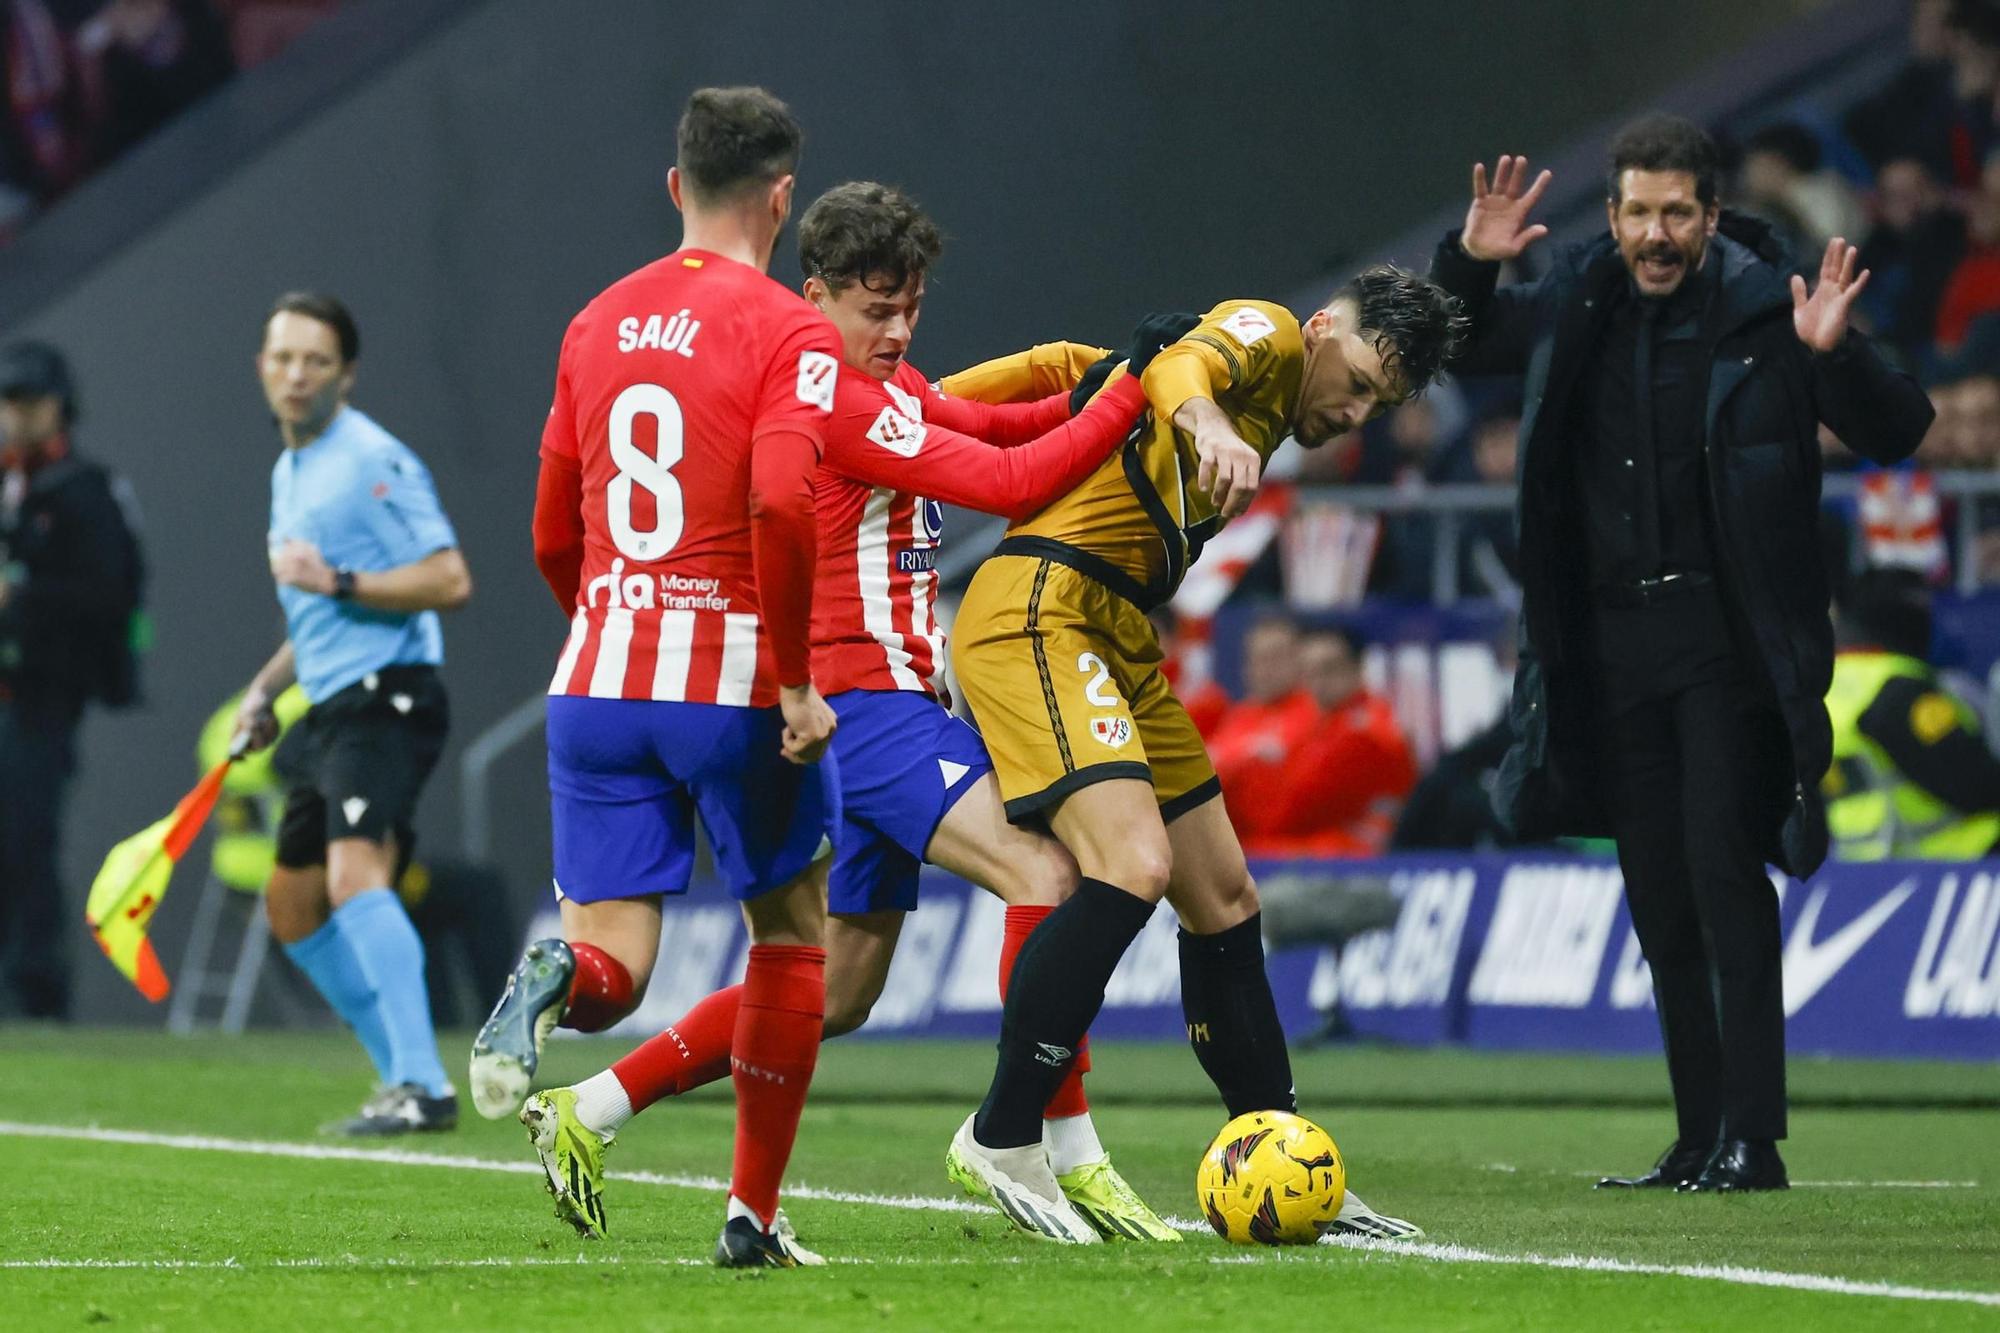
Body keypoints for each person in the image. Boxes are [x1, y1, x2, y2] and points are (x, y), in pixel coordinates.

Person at [476, 180, 1183, 1241]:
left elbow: (991, 422)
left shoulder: (872, 386)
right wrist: (1135, 390)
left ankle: (593, 1103)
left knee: (835, 988)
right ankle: (1039, 1145)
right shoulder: (829, 398)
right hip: (865, 703)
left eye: (910, 307)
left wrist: (1110, 381)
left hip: (852, 709)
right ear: (815, 295)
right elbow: (1008, 474)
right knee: (1046, 873)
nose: (896, 330)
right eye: (874, 308)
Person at [1430, 116, 1933, 1193]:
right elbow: (1458, 343)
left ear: (1708, 215)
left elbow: (1897, 431)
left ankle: (1753, 1136)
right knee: (1656, 889)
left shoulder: (1770, 309)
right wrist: (1468, 263)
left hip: (1725, 640)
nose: (1655, 233)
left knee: (1720, 869)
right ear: (1609, 217)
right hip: (1608, 645)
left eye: (1675, 212)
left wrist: (1835, 357)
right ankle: (1699, 1131)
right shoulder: (1573, 301)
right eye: (1636, 212)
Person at [943, 267, 1463, 1243]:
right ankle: (1001, 1133)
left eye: (1376, 406)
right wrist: (1209, 423)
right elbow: (1184, 359)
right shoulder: (1265, 336)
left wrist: (922, 405)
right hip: (1039, 607)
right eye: (1355, 381)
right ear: (1321, 330)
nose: (1354, 411)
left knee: (1223, 898)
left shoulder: (1272, 404)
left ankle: (1279, 1148)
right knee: (1130, 865)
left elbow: (1075, 366)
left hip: (1115, 630)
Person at [490, 87, 843, 1269]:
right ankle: (750, 1216)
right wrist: (795, 681)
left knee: (613, 973)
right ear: (783, 198)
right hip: (733, 686)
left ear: (674, 185)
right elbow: (785, 502)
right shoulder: (788, 329)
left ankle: (548, 972)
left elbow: (550, 527)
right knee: (793, 940)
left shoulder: (594, 321)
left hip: (595, 677)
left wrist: (607, 625)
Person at [231, 292, 472, 1134]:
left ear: (347, 374)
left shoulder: (374, 459)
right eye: (283, 358)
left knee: (353, 876)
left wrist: (337, 581)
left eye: (316, 361)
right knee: (292, 907)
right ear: (262, 367)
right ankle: (402, 1074)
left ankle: (422, 1086)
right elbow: (315, 618)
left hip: (391, 694)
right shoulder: (289, 470)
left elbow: (449, 580)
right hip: (330, 705)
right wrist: (264, 693)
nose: (297, 376)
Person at [0, 339, 144, 1019]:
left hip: (42, 696)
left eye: (29, 401)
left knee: (25, 837)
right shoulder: (10, 486)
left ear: (61, 407)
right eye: (7, 401)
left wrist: (19, 599)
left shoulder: (85, 492)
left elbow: (108, 592)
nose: (15, 415)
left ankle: (35, 994)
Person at [1825, 569, 2000, 858]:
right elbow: (1975, 783)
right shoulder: (1898, 690)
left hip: (1859, 865)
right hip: (1961, 857)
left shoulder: (1821, 690)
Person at [1251, 626, 1415, 857]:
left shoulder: (1365, 733)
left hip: (1357, 858)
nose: (1318, 682)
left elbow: (1298, 810)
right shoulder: (1321, 724)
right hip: (1323, 849)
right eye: (1309, 672)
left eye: (1329, 670)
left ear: (1357, 668)